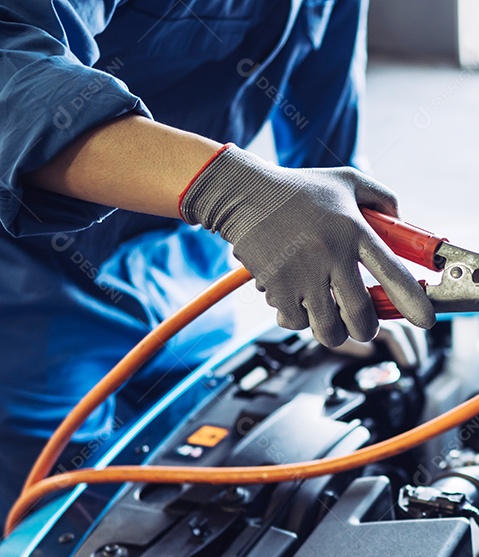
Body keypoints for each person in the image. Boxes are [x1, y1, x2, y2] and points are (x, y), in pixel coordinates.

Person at [0, 0, 434, 513]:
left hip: (184, 269)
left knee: (202, 465)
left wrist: (347, 268)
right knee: (58, 529)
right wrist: (230, 190)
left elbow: (324, 111)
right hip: (30, 292)